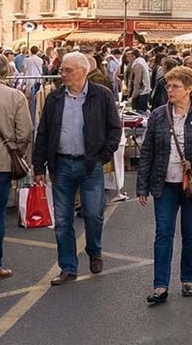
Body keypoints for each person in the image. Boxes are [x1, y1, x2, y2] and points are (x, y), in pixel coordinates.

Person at [32, 52, 122, 285]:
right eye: (62, 70)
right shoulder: (54, 98)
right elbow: (43, 133)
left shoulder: (101, 95)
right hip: (61, 164)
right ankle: (68, 267)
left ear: (83, 71)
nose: (63, 74)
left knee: (93, 215)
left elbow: (114, 129)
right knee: (62, 220)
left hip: (90, 164)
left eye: (68, 70)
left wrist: (102, 156)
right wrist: (38, 165)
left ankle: (94, 250)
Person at [136, 66, 192, 304]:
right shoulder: (160, 115)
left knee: (191, 234)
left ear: (189, 89)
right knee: (163, 233)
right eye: (168, 86)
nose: (169, 90)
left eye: (175, 86)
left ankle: (187, 279)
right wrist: (142, 186)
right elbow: (148, 151)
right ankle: (160, 285)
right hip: (165, 183)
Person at [0, 53, 32, 281]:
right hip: (1, 164)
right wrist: (17, 151)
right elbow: (24, 132)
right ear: (5, 72)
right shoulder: (15, 96)